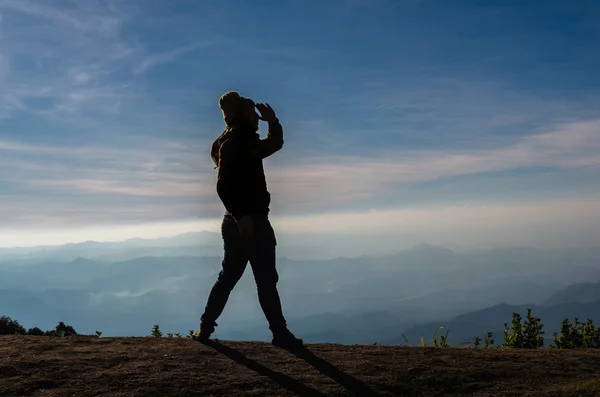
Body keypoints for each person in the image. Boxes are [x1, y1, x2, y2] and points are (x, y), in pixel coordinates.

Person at [193, 91, 304, 349]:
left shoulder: (242, 141)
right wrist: (243, 217)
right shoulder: (235, 143)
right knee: (264, 279)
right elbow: (223, 186)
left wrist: (273, 123)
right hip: (248, 221)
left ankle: (206, 327)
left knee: (231, 276)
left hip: (240, 221)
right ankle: (280, 334)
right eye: (252, 113)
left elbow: (273, 145)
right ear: (242, 115)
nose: (256, 117)